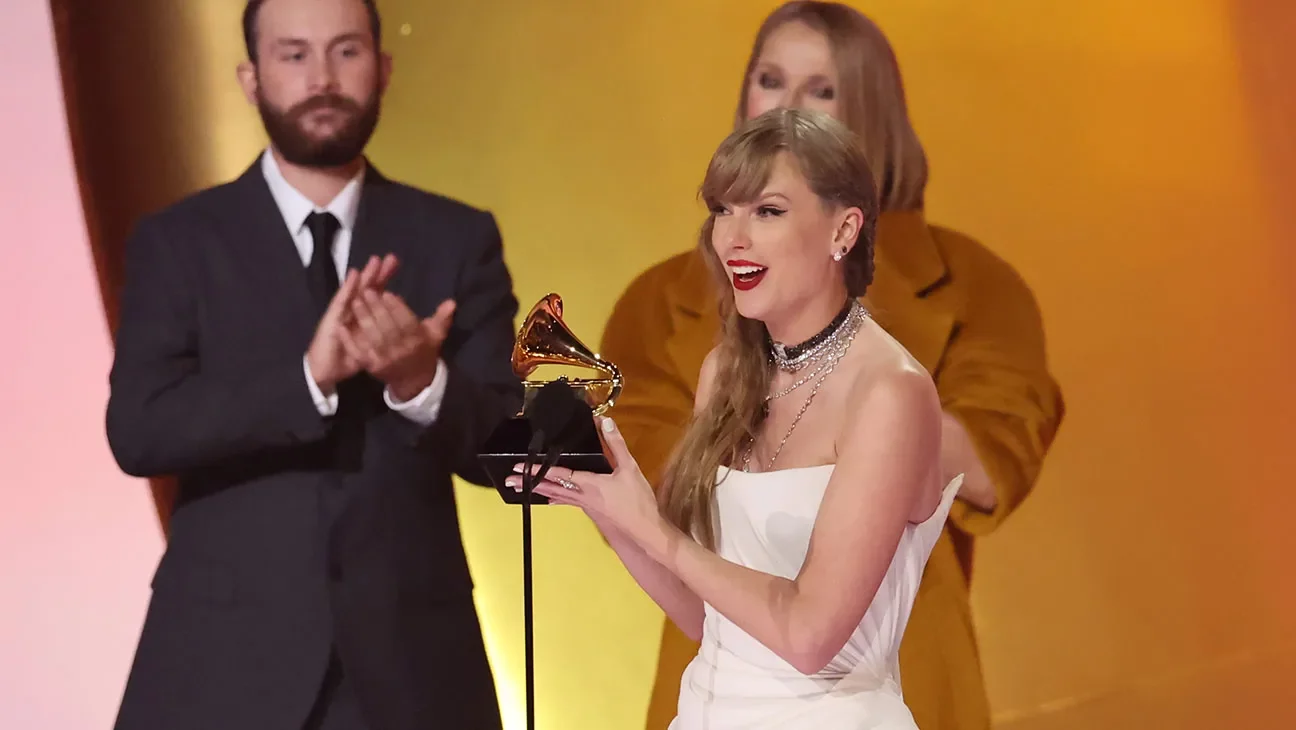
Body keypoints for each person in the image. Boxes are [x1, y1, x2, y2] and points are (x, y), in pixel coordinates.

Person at [600, 3, 1065, 730]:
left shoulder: (955, 309)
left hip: (881, 680)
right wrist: (605, 502)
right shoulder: (681, 326)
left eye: (822, 90)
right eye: (771, 80)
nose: (789, 107)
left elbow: (992, 460)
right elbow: (687, 559)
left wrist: (845, 375)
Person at [106, 0, 518, 728]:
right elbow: (139, 430)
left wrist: (421, 382)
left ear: (383, 69)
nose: (322, 78)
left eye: (345, 52)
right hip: (219, 667)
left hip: (415, 672)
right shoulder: (179, 242)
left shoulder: (455, 237)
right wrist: (307, 379)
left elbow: (513, 455)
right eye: (294, 55)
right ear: (250, 78)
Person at [513, 107, 961, 728]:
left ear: (844, 230)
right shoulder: (725, 373)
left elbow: (808, 636)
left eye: (767, 211)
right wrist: (607, 505)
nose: (732, 238)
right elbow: (710, 621)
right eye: (723, 210)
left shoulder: (890, 393)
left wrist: (656, 531)